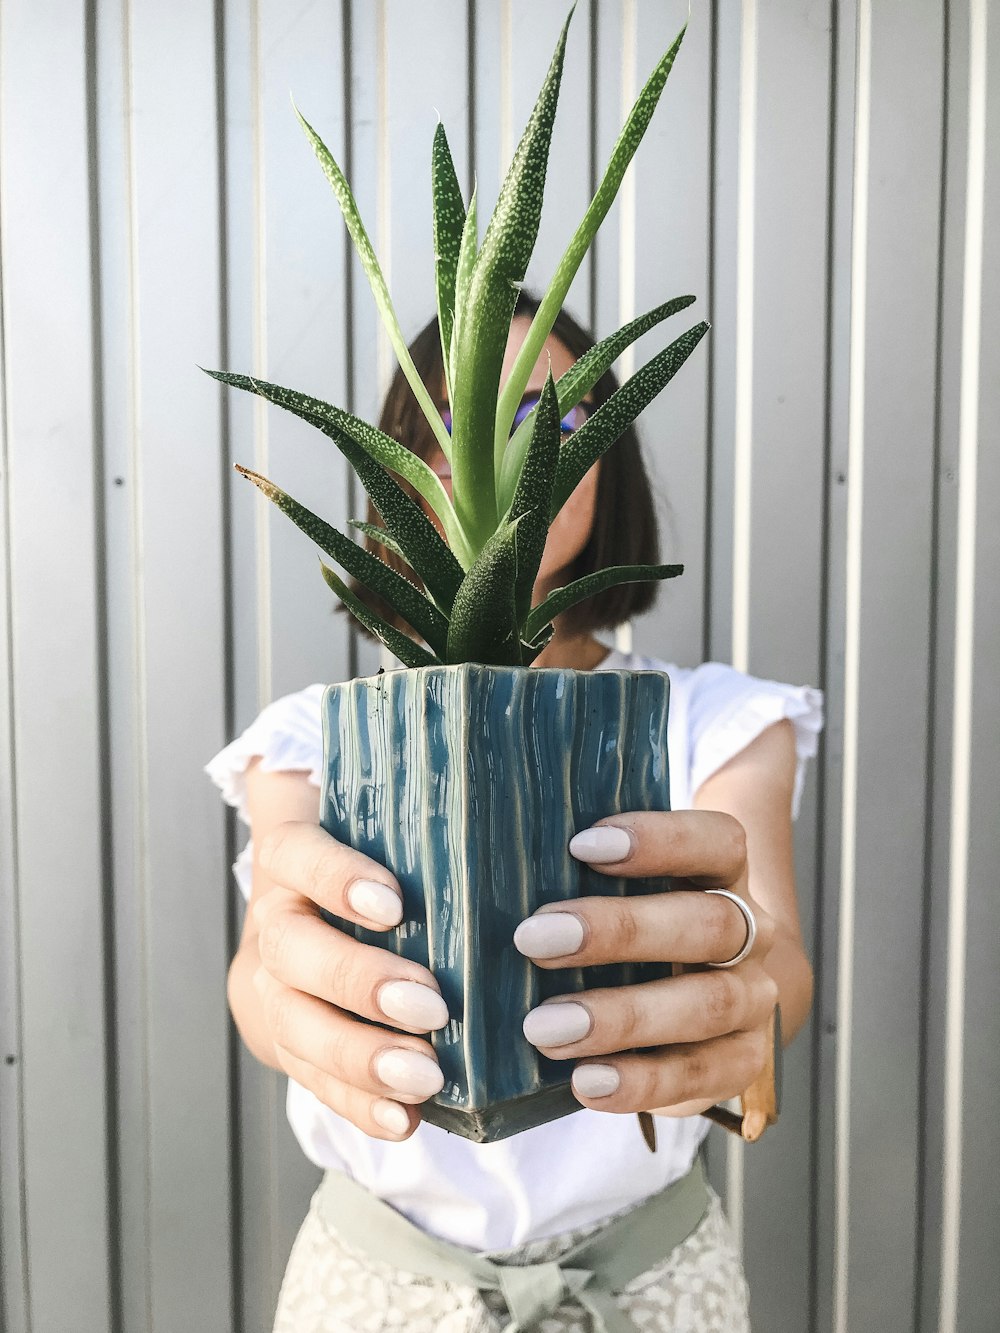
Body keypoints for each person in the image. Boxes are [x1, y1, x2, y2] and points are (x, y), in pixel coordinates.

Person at [206, 292, 823, 1332]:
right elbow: (267, 952)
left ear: (611, 458)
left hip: (645, 1278)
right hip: (375, 1281)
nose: (506, 454)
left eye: (555, 417)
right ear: (403, 465)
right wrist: (279, 1005)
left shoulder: (716, 719)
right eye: (456, 422)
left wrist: (748, 1005)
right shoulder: (315, 733)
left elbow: (776, 959)